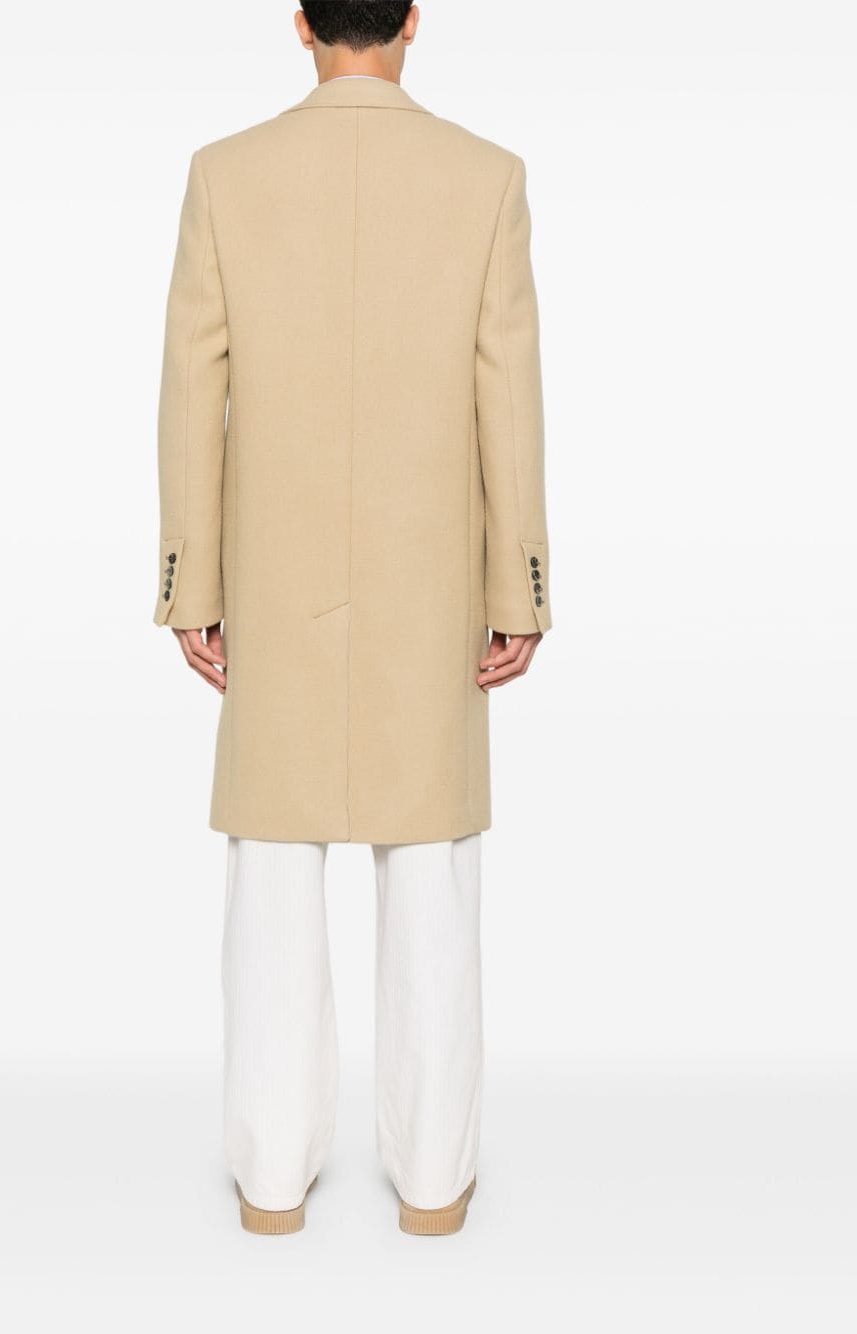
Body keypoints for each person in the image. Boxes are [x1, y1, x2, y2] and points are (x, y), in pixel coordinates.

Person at [153, 1, 551, 1236]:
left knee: (271, 878)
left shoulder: (226, 175)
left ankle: (270, 1181)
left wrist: (190, 583)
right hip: (432, 585)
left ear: (301, 25)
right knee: (431, 877)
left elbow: (191, 393)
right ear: (414, 22)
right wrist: (519, 586)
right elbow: (507, 398)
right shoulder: (485, 179)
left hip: (274, 584)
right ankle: (432, 1182)